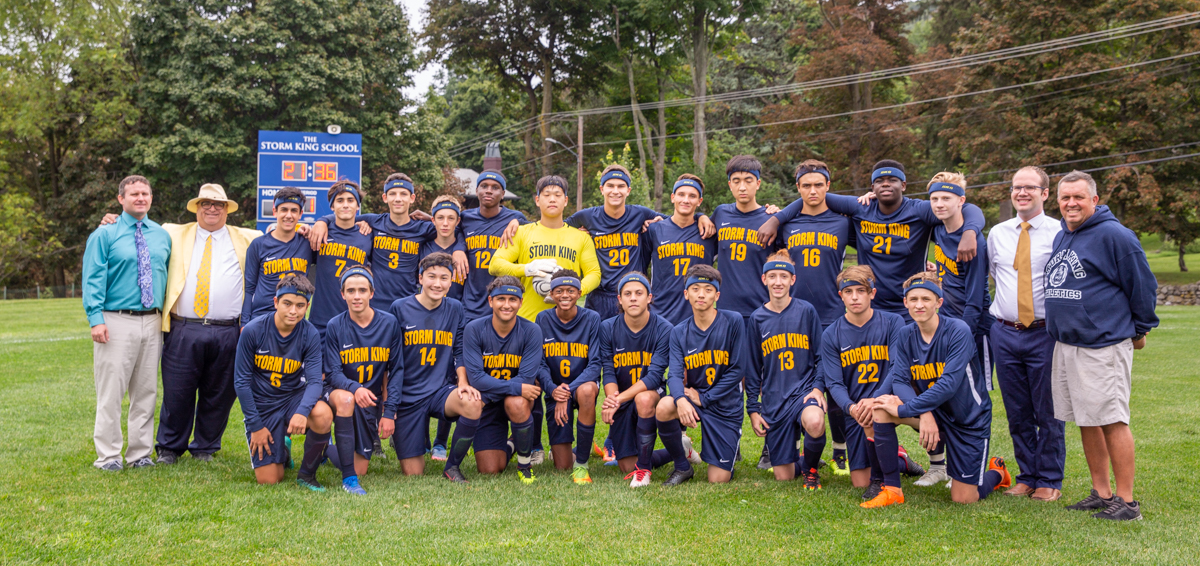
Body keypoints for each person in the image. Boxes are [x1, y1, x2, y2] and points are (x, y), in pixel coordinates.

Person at [1045, 171, 1158, 521]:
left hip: (1102, 345)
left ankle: (1127, 502)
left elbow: (1143, 285)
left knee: (1111, 419)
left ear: (1094, 200)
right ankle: (1102, 492)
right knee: (1087, 419)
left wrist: (1140, 329)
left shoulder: (1115, 235)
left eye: (1078, 197)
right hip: (1068, 343)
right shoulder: (1064, 234)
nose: (1071, 203)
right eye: (1065, 198)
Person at [757, 159, 985, 322]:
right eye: (880, 180)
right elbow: (812, 197)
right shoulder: (861, 207)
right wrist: (777, 219)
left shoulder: (919, 210)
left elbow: (967, 208)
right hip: (870, 303)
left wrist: (970, 232)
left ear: (903, 185)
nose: (886, 184)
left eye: (892, 180)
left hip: (910, 303)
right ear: (872, 187)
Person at [866, 272, 1011, 508]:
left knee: (964, 498)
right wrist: (924, 413)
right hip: (932, 411)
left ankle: (997, 473)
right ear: (905, 302)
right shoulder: (905, 334)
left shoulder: (958, 330)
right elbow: (900, 380)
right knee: (880, 410)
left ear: (939, 302)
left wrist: (905, 410)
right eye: (913, 299)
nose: (919, 305)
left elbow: (948, 384)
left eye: (926, 299)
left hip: (968, 419)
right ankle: (892, 489)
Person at [155, 184, 262, 464]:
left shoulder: (250, 237)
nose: (212, 208)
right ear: (197, 207)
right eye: (206, 203)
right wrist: (113, 220)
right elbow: (138, 231)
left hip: (229, 329)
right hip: (184, 326)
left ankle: (205, 446)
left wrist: (310, 227)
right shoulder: (171, 232)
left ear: (227, 209)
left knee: (220, 392)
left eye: (218, 204)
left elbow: (284, 234)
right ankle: (169, 447)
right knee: (177, 391)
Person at [986, 165, 1066, 502]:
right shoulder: (998, 233)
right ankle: (1026, 476)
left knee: (1048, 411)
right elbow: (994, 274)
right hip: (1005, 333)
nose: (1022, 192)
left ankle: (1049, 479)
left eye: (1030, 187)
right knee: (1017, 411)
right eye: (1017, 187)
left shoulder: (1060, 232)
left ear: (1044, 193)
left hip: (1045, 333)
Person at [83, 175, 171, 471]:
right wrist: (96, 319)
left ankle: (139, 454)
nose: (140, 198)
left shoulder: (162, 235)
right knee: (111, 392)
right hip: (116, 319)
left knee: (146, 392)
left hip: (153, 320)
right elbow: (93, 278)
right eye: (134, 194)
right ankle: (108, 456)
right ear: (121, 199)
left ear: (151, 198)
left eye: (145, 193)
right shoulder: (104, 234)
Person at [773, 159, 855, 475]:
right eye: (806, 185)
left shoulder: (844, 223)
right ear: (798, 188)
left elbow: (878, 247)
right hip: (794, 315)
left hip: (832, 314)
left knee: (835, 384)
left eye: (818, 185)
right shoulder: (787, 223)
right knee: (792, 380)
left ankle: (840, 452)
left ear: (828, 186)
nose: (812, 191)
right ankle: (790, 449)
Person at [384, 253, 484, 483]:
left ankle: (452, 466)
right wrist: (389, 403)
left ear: (451, 282)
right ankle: (409, 438)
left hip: (439, 391)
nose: (437, 283)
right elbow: (389, 359)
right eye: (431, 276)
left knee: (472, 402)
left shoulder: (455, 308)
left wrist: (462, 382)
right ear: (420, 278)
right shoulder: (399, 308)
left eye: (444, 278)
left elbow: (459, 350)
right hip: (407, 397)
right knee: (413, 472)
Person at [567, 164, 714, 320]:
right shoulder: (587, 216)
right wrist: (578, 234)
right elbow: (560, 229)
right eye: (610, 185)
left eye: (621, 186)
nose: (615, 191)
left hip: (632, 294)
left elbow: (676, 220)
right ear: (602, 189)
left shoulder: (639, 213)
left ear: (628, 190)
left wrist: (701, 217)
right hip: (600, 295)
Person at [307, 173, 468, 309]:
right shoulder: (374, 221)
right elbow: (344, 216)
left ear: (412, 198)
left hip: (407, 303)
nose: (398, 199)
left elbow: (455, 229)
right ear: (385, 197)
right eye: (392, 194)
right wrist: (322, 221)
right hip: (374, 303)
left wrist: (459, 248)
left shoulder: (422, 228)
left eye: (403, 194)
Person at [232, 275, 332, 488]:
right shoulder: (253, 330)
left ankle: (306, 475)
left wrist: (302, 412)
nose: (293, 311)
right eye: (287, 303)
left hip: (292, 398)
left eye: (300, 305)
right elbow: (241, 382)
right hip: (264, 404)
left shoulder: (310, 334)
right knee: (270, 480)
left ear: (307, 307)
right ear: (276, 302)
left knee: (323, 414)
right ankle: (283, 451)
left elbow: (315, 382)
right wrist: (256, 426)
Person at [821, 266, 910, 501]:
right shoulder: (831, 334)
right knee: (859, 480)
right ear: (840, 296)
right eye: (848, 291)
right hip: (857, 411)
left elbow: (897, 368)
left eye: (861, 291)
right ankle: (900, 459)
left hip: (889, 400)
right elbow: (834, 383)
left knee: (879, 412)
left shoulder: (893, 322)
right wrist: (851, 408)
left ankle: (885, 477)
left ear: (872, 293)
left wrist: (875, 399)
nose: (855, 297)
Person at [599, 272, 693, 487]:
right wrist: (613, 400)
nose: (633, 298)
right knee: (626, 466)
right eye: (627, 294)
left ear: (649, 297)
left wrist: (618, 399)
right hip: (622, 397)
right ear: (619, 299)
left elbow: (654, 377)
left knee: (643, 398)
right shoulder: (607, 327)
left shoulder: (664, 329)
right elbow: (609, 371)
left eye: (639, 293)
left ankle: (644, 469)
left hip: (651, 394)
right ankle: (682, 449)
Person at [656, 265, 748, 485]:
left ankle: (727, 450)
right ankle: (682, 466)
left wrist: (705, 398)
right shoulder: (679, 331)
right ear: (686, 294)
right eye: (695, 289)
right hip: (695, 400)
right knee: (665, 406)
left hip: (725, 406)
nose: (701, 294)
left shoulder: (733, 321)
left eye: (708, 289)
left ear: (717, 295)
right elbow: (674, 374)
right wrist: (680, 400)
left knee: (718, 480)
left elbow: (737, 369)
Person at [746, 252, 826, 488]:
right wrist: (753, 409)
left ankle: (811, 470)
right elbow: (753, 368)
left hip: (804, 393)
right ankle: (804, 459)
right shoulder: (757, 318)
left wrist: (818, 388)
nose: (778, 282)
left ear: (793, 279)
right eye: (772, 276)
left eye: (783, 276)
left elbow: (822, 357)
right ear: (764, 279)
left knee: (814, 421)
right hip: (774, 400)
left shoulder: (806, 311)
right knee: (784, 475)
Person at [321, 266, 401, 494]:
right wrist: (355, 388)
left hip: (371, 400)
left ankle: (326, 447)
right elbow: (333, 373)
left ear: (371, 293)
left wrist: (389, 411)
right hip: (342, 392)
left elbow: (396, 370)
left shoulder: (389, 323)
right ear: (342, 294)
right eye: (351, 291)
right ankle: (326, 441)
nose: (357, 296)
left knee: (361, 469)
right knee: (347, 399)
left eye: (362, 290)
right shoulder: (335, 325)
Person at [461, 276, 545, 483]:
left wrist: (514, 389)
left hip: (517, 400)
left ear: (521, 302)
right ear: (491, 301)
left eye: (512, 299)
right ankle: (513, 443)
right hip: (488, 401)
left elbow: (526, 378)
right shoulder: (474, 328)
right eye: (501, 299)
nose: (507, 305)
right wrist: (515, 388)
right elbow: (476, 378)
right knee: (489, 469)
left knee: (516, 402)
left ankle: (524, 465)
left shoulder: (531, 330)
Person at [490, 175, 602, 320]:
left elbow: (594, 273)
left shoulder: (582, 237)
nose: (552, 199)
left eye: (557, 195)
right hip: (528, 320)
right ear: (537, 200)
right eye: (547, 195)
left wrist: (574, 289)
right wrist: (527, 269)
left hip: (566, 322)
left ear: (565, 201)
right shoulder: (521, 233)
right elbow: (495, 265)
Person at [928, 172, 997, 401]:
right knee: (954, 389)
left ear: (961, 201)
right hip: (947, 319)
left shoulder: (973, 243)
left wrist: (964, 334)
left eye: (946, 198)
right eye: (935, 199)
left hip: (974, 325)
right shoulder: (938, 230)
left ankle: (981, 427)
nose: (939, 204)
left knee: (978, 391)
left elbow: (975, 298)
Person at [534, 269, 602, 483]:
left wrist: (567, 391)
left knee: (587, 390)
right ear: (551, 294)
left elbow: (595, 364)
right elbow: (540, 363)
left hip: (580, 387)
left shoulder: (592, 318)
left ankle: (581, 464)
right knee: (562, 466)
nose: (565, 295)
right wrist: (553, 390)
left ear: (579, 293)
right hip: (555, 390)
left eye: (571, 290)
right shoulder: (542, 319)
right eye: (559, 290)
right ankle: (582, 446)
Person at [711, 155, 781, 325]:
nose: (742, 187)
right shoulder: (721, 213)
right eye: (736, 181)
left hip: (762, 309)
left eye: (748, 181)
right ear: (730, 185)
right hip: (725, 309)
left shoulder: (771, 219)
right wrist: (700, 217)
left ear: (758, 183)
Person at [646, 174, 718, 325]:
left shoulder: (709, 232)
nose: (686, 200)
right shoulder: (654, 230)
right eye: (681, 194)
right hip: (661, 314)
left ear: (699, 201)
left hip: (697, 316)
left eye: (692, 196)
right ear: (673, 197)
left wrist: (702, 217)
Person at [457, 170, 527, 321]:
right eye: (484, 186)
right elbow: (447, 229)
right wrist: (459, 249)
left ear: (503, 194)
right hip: (472, 302)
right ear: (477, 190)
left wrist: (519, 222)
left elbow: (537, 230)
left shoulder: (515, 218)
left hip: (503, 301)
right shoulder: (466, 218)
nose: (489, 190)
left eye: (495, 187)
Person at [308, 181, 373, 336]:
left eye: (350, 200)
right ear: (332, 206)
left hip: (354, 320)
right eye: (340, 200)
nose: (345, 205)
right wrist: (320, 222)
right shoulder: (319, 233)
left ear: (358, 206)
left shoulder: (368, 235)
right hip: (321, 320)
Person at [242, 187, 313, 324]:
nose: (289, 215)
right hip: (262, 318)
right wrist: (244, 323)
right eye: (284, 210)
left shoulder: (307, 243)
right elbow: (249, 289)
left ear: (300, 214)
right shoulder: (258, 245)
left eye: (294, 210)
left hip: (294, 319)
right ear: (275, 211)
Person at [420, 195, 467, 301]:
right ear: (433, 220)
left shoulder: (464, 252)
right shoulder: (423, 248)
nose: (445, 223)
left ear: (458, 221)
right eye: (440, 218)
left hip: (457, 309)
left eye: (451, 218)